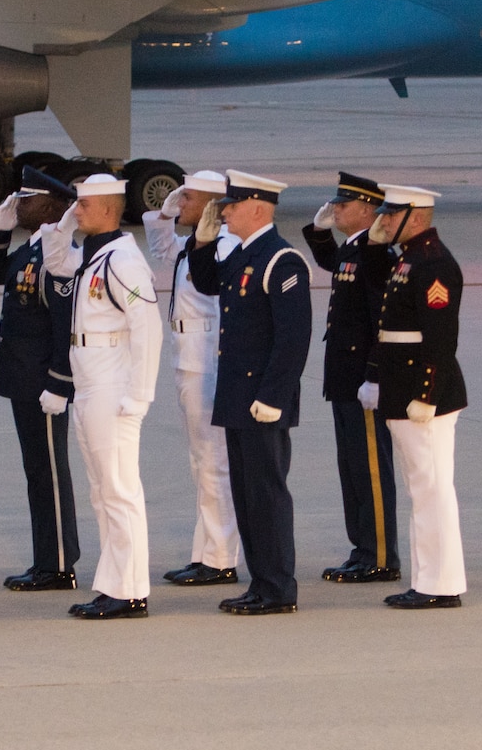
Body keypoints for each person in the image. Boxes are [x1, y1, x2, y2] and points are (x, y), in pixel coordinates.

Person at [188, 170, 313, 616]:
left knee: (267, 493)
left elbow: (293, 338)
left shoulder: (281, 260)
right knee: (245, 493)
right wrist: (200, 243)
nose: (225, 213)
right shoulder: (244, 255)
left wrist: (275, 395)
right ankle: (261, 582)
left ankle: (279, 587)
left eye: (232, 206)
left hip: (262, 400)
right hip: (238, 398)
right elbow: (206, 283)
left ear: (258, 209)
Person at [41, 173, 162, 618]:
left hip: (113, 387)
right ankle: (113, 583)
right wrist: (66, 225)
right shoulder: (98, 255)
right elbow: (55, 261)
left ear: (108, 209)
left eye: (84, 206)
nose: (77, 210)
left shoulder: (123, 261)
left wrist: (141, 395)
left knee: (119, 488)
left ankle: (130, 590)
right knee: (100, 490)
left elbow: (147, 329)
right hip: (89, 383)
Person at [359, 185, 467, 610]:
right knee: (422, 489)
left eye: (391, 215)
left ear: (416, 217)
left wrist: (427, 395)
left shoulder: (433, 263)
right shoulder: (408, 258)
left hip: (423, 394)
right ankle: (430, 580)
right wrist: (373, 242)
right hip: (402, 388)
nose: (383, 220)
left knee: (432, 489)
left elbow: (441, 340)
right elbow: (374, 283)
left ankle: (439, 584)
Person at [0, 167, 81, 592]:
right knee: (36, 471)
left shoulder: (58, 256)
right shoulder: (31, 250)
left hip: (43, 383)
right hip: (23, 379)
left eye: (27, 199)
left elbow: (63, 326)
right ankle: (45, 560)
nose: (19, 205)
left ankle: (58, 565)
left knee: (50, 473)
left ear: (53, 207)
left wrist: (59, 382)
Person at [142, 170, 242, 588]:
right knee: (201, 462)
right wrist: (163, 216)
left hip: (209, 361)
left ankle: (221, 558)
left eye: (187, 199)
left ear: (213, 206)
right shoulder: (196, 243)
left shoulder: (226, 245)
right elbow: (164, 250)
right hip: (188, 358)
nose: (180, 203)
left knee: (215, 463)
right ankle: (205, 553)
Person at [303, 172, 401, 584]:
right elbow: (332, 262)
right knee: (352, 467)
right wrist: (318, 231)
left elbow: (385, 319)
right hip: (344, 375)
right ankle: (362, 549)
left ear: (366, 211)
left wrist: (375, 376)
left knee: (371, 467)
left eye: (343, 206)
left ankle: (380, 555)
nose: (336, 210)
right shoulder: (355, 248)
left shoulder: (377, 254)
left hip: (363, 375)